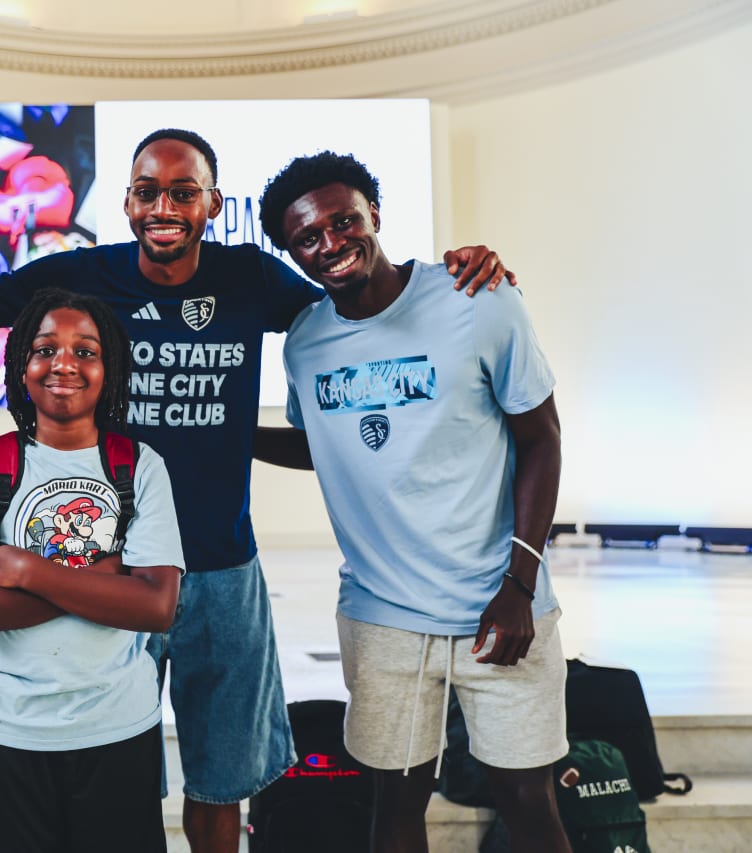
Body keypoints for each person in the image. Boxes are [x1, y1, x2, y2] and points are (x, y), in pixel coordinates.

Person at [0, 127, 515, 852]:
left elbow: (356, 293)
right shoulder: (83, 274)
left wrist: (447, 278)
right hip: (101, 566)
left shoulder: (250, 278)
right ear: (127, 200)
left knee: (219, 778)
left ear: (212, 201)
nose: (164, 206)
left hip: (219, 571)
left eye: (184, 191)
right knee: (115, 766)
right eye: (147, 190)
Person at [253, 150, 569, 853]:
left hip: (501, 604)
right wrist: (232, 437)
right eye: (308, 236)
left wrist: (519, 581)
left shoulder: (476, 298)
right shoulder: (305, 343)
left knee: (526, 798)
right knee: (393, 802)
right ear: (291, 250)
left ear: (374, 215)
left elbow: (541, 437)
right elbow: (323, 443)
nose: (331, 243)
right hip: (382, 616)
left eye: (345, 221)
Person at [0, 287, 185, 852]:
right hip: (8, 731)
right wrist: (105, 578)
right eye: (46, 348)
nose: (65, 364)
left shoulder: (141, 466)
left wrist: (28, 570)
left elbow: (156, 607)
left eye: (87, 351)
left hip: (118, 728)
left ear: (110, 367)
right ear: (21, 365)